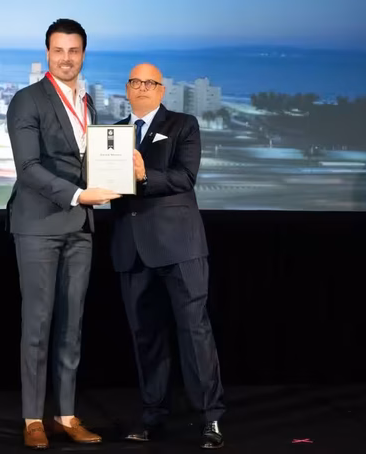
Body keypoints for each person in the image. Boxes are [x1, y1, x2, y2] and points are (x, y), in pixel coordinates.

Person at [6, 18, 118, 450]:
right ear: (47, 54)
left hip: (80, 227)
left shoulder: (88, 103)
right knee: (37, 325)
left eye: (74, 51)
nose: (66, 59)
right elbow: (28, 169)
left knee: (72, 326)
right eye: (58, 50)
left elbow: (92, 161)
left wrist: (119, 176)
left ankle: (66, 415)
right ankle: (33, 419)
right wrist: (78, 195)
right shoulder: (27, 100)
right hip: (39, 226)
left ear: (83, 54)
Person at [110, 63, 226, 449]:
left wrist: (145, 175)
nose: (142, 87)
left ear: (162, 91)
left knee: (194, 332)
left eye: (150, 83)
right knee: (146, 337)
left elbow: (185, 178)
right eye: (135, 81)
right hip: (131, 248)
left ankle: (210, 419)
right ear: (127, 89)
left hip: (179, 247)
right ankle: (153, 416)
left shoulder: (183, 125)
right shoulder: (113, 133)